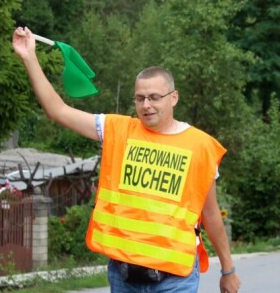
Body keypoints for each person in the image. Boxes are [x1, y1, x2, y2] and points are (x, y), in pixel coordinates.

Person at [12, 27, 241, 293]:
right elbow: (58, 110)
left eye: (155, 97)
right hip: (124, 276)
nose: (146, 105)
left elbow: (211, 214)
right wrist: (29, 56)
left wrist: (228, 269)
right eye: (140, 98)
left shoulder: (200, 146)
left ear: (174, 98)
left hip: (175, 278)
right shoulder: (117, 129)